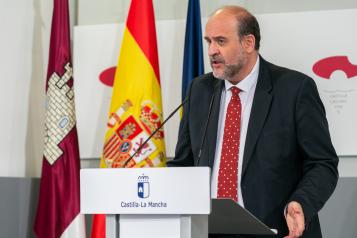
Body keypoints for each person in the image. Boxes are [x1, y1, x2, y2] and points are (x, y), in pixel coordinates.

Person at [167, 5, 338, 238]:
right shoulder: (200, 90)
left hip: (275, 229)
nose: (212, 50)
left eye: (221, 41)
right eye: (209, 41)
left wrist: (301, 203)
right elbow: (184, 164)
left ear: (248, 43)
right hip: (209, 230)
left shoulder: (294, 89)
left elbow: (322, 163)